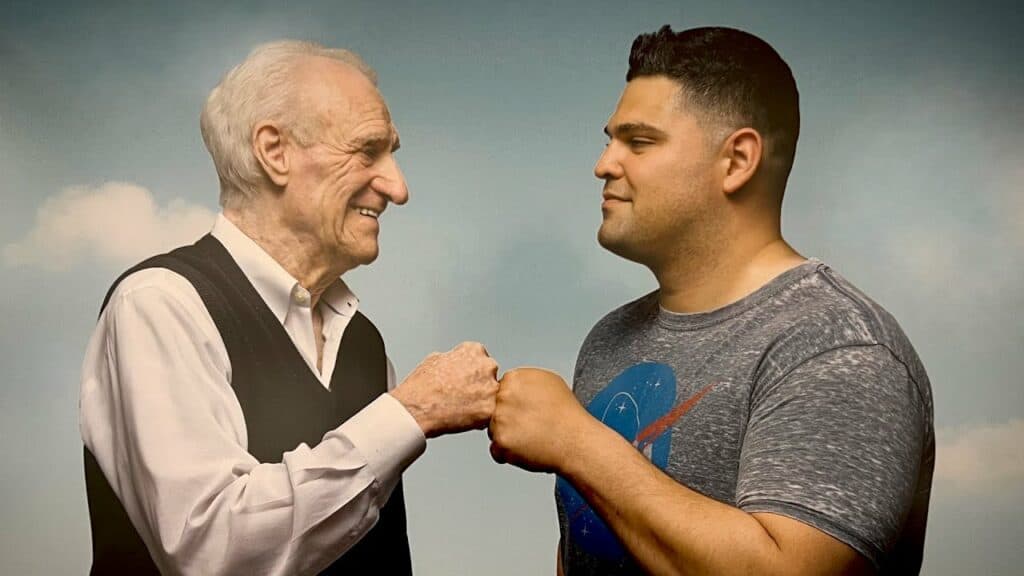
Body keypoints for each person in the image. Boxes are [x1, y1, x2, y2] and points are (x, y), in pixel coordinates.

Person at [488, 25, 934, 575]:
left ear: (738, 160)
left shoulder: (840, 349)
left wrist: (576, 442)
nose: (604, 164)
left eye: (639, 141)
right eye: (609, 140)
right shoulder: (608, 341)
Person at [80, 41, 499, 575]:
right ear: (274, 152)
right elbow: (210, 551)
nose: (398, 187)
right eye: (367, 152)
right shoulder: (160, 304)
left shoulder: (363, 343)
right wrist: (410, 412)